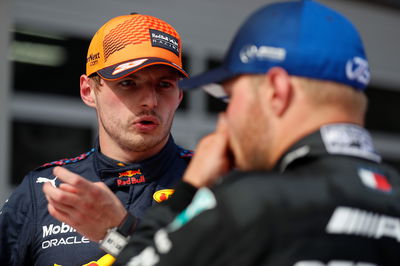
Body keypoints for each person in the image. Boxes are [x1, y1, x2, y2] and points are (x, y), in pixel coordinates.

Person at [43, 0, 400, 265]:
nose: (227, 115)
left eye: (231, 96)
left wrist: (186, 193)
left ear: (277, 90)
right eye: (129, 84)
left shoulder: (248, 205)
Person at [0, 13, 193, 266]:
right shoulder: (41, 193)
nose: (150, 101)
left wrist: (117, 233)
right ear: (88, 91)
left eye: (165, 84)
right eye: (128, 82)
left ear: (179, 96)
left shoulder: (212, 185)